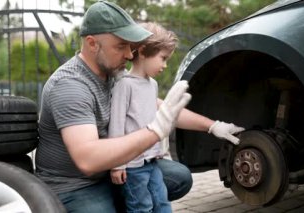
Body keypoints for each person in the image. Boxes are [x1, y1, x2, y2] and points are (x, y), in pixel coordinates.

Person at [34, 1, 244, 212]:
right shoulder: (71, 86)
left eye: (130, 46)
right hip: (76, 184)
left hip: (113, 169)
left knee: (179, 177)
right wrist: (153, 132)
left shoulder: (115, 75)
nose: (129, 54)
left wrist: (213, 126)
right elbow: (88, 159)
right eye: (120, 46)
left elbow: (163, 109)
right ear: (92, 43)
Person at [108, 22, 180, 213]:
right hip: (131, 166)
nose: (164, 65)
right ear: (143, 50)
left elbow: (151, 121)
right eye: (163, 58)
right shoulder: (125, 85)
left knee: (162, 202)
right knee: (141, 206)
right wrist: (117, 164)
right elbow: (116, 124)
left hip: (152, 161)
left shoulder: (153, 85)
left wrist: (160, 151)